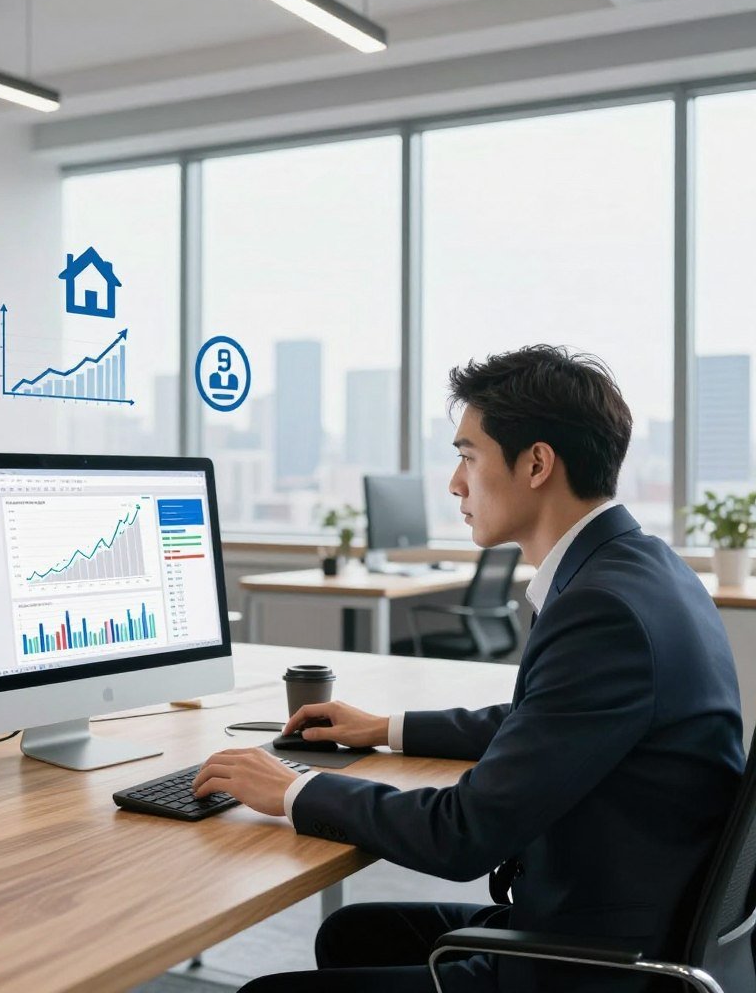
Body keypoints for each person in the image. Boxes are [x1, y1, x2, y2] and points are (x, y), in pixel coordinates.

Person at [193, 345, 745, 993]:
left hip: (596, 965)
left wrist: (291, 789)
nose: (455, 483)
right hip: (626, 915)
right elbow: (546, 723)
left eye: (467, 456)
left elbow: (463, 835)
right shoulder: (644, 566)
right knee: (351, 934)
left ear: (537, 462)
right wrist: (387, 727)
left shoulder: (602, 608)